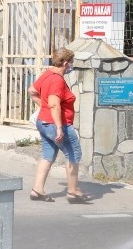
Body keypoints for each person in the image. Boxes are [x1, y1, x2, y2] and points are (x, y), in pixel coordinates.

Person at [29, 48, 89, 203]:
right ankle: (73, 191)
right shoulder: (57, 80)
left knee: (47, 154)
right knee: (74, 153)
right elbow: (54, 104)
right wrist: (59, 127)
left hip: (43, 122)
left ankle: (37, 189)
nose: (71, 67)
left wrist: (44, 107)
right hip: (56, 125)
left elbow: (32, 91)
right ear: (66, 63)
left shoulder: (48, 74)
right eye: (71, 64)